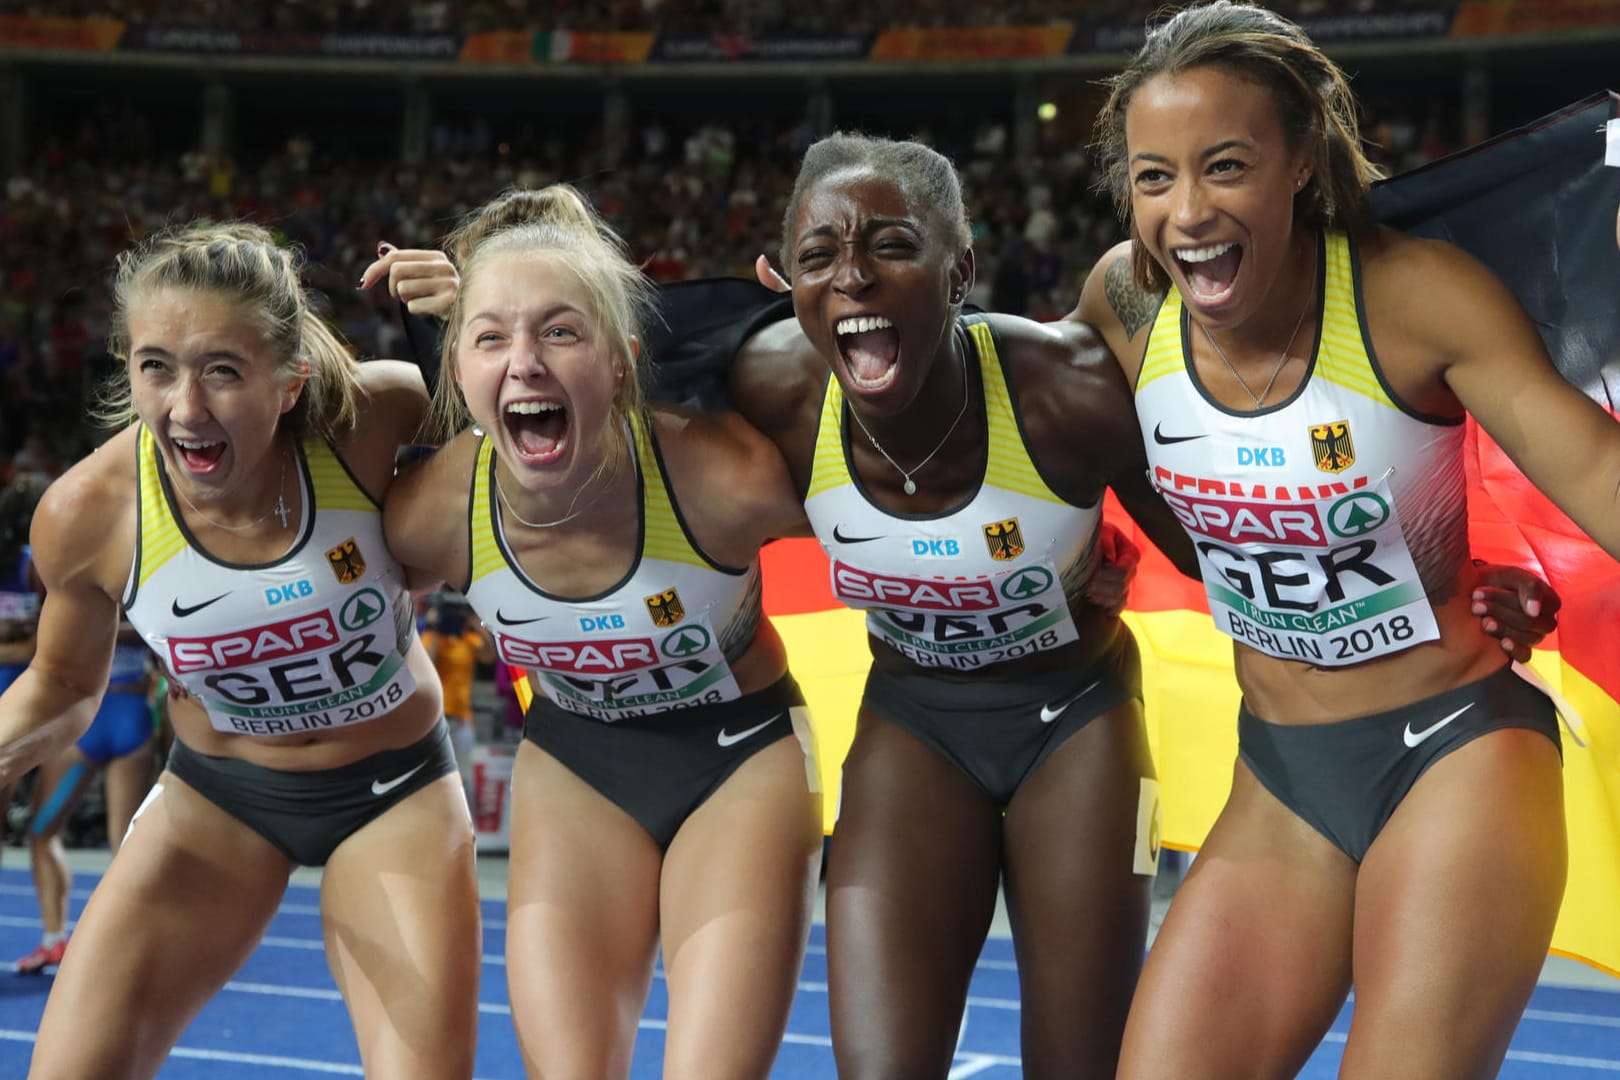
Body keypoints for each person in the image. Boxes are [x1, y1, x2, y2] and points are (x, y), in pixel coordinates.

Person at [731, 131, 1561, 1078]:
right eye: (817, 257)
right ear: (781, 279)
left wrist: (1465, 574)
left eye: (889, 245)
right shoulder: (764, 392)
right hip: (913, 722)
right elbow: (622, 455)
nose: (853, 279)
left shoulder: (1069, 392)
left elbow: (1248, 514)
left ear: (959, 267)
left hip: (1075, 726)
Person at [1074, 4, 1620, 1077]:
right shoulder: (1125, 301)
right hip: (1278, 778)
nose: (1187, 213)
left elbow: (1596, 469)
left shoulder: (1414, 297)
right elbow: (1029, 420)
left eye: (1225, 166)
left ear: (1302, 162)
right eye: (1153, 178)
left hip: (1457, 752)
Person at [0, 221, 481, 1078]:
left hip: (391, 793)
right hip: (218, 800)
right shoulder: (88, 513)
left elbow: (541, 465)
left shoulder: (377, 418)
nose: (186, 409)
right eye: (156, 367)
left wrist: (477, 326)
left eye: (222, 370)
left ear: (291, 379)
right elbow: (63, 682)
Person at [376, 186, 824, 1079]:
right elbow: (333, 591)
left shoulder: (722, 478)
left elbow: (903, 515)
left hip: (739, 759)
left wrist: (1087, 577)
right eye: (491, 336)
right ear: (457, 371)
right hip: (575, 765)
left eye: (560, 331)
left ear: (623, 362)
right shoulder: (431, 516)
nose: (526, 363)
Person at [16, 619, 157, 975]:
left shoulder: (74, 583)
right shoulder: (145, 583)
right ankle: (128, 950)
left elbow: (41, 651)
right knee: (125, 846)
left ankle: (55, 940)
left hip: (86, 720)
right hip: (133, 714)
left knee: (44, 832)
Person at [420, 591, 494, 806]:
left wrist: (476, 623)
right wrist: (433, 625)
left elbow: (488, 657)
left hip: (462, 719)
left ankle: (468, 824)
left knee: (465, 777)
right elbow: (428, 662)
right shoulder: (433, 639)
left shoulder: (467, 640)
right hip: (437, 719)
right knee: (435, 777)